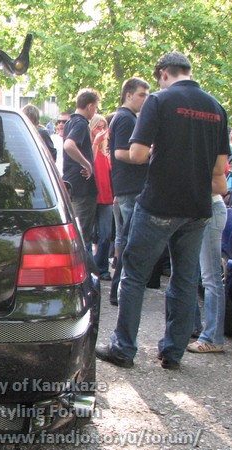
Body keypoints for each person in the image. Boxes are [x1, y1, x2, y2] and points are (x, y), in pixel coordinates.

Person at [96, 52, 230, 370]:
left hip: (159, 203)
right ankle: (173, 352)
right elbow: (220, 168)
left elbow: (138, 155)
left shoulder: (158, 101)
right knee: (184, 280)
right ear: (188, 71)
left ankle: (123, 348)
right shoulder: (216, 107)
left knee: (133, 276)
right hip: (197, 207)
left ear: (162, 74)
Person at [108, 77, 151, 305]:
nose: (145, 99)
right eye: (142, 94)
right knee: (130, 242)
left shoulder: (126, 117)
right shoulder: (125, 118)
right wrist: (148, 154)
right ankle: (120, 291)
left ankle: (120, 290)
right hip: (130, 188)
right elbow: (120, 153)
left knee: (127, 239)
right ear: (128, 95)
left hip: (128, 187)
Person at [188, 190, 227, 353]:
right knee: (192, 275)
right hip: (198, 212)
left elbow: (221, 187)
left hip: (210, 210)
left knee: (211, 279)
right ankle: (196, 327)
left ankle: (212, 339)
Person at [63, 88, 101, 248]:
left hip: (72, 183)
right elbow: (69, 145)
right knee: (82, 237)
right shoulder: (80, 123)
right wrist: (86, 164)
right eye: (96, 107)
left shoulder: (69, 122)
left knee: (76, 233)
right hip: (82, 185)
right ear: (90, 106)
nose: (96, 111)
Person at [90, 113, 113, 280]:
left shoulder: (106, 150)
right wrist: (96, 142)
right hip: (91, 196)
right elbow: (88, 163)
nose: (102, 130)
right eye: (98, 126)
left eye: (104, 126)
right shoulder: (90, 146)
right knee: (89, 235)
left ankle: (101, 268)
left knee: (106, 234)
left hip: (107, 197)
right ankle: (92, 268)